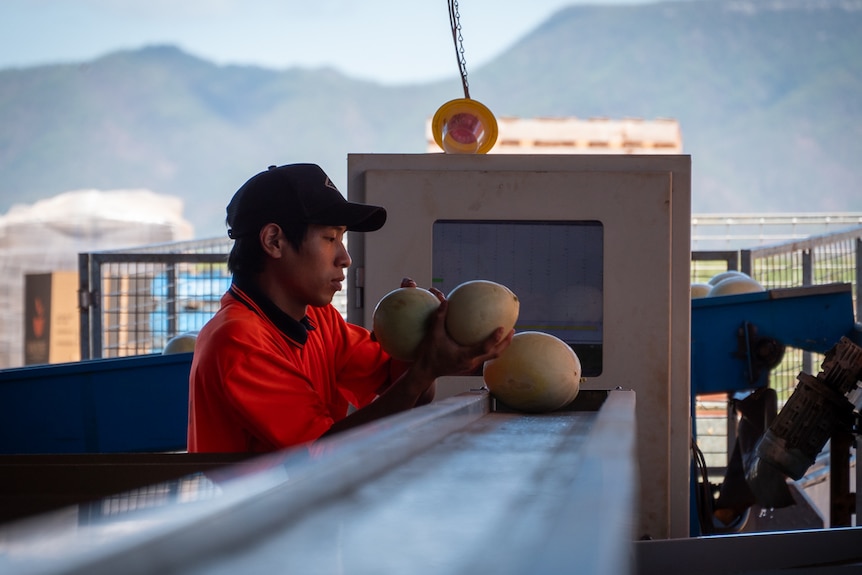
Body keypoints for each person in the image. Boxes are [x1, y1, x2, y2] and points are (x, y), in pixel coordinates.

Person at [187, 163, 513, 453]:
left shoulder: (316, 317)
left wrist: (418, 342)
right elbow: (321, 454)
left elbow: (406, 389)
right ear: (274, 241)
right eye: (330, 238)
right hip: (249, 519)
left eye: (342, 238)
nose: (345, 258)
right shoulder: (237, 339)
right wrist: (425, 369)